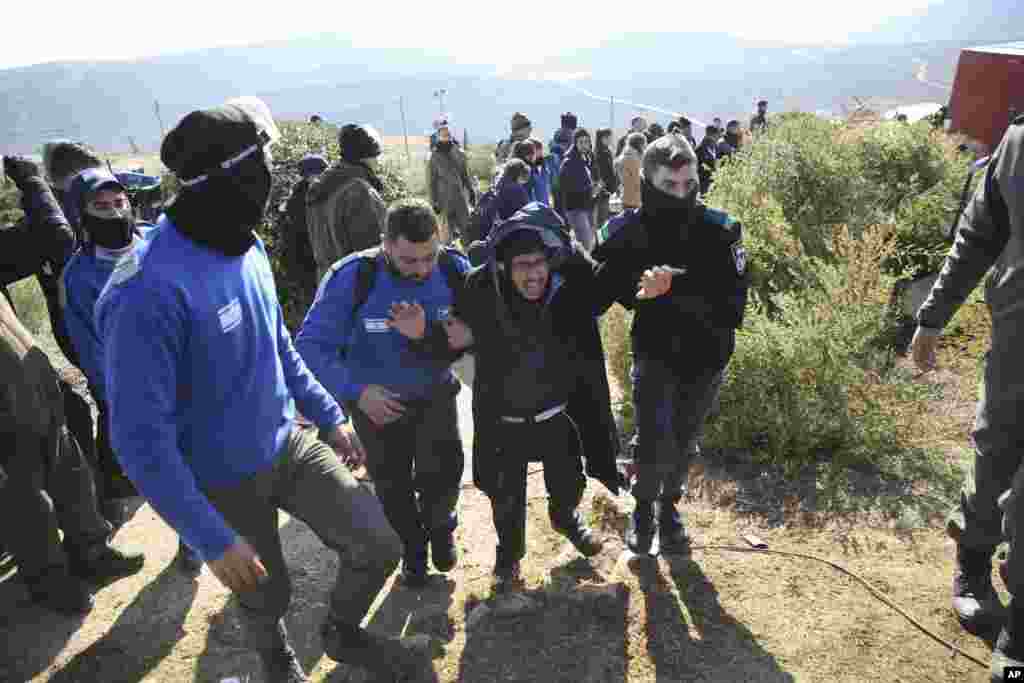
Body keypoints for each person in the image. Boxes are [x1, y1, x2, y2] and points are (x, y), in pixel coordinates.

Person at [96, 97, 419, 683]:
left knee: (377, 543)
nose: (271, 177)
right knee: (266, 592)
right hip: (221, 478)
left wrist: (327, 413)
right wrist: (210, 538)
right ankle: (277, 665)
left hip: (286, 444)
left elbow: (278, 345)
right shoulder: (145, 290)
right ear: (234, 177)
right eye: (262, 163)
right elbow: (140, 441)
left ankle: (342, 635)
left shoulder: (246, 246)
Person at [418, 204, 624, 589]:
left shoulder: (567, 285)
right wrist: (439, 337)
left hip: (557, 416)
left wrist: (571, 245)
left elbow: (602, 290)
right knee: (505, 497)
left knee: (569, 485)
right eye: (523, 265)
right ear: (504, 268)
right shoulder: (479, 289)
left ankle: (566, 521)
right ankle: (509, 557)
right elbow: (451, 342)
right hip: (503, 421)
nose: (534, 273)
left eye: (539, 263)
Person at [296, 198, 469, 589]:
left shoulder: (454, 269)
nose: (422, 269)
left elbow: (484, 323)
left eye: (429, 256)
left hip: (436, 395)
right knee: (392, 486)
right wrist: (357, 392)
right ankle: (413, 552)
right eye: (410, 260)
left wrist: (453, 336)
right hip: (377, 407)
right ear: (385, 244)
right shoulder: (354, 277)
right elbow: (309, 346)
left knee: (444, 473)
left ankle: (441, 526)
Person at [589, 135, 750, 556]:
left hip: (707, 355)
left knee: (684, 439)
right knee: (653, 437)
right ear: (647, 182)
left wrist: (673, 290)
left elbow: (734, 308)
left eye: (688, 183)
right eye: (669, 185)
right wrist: (637, 290)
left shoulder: (721, 231)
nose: (681, 193)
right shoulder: (628, 232)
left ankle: (668, 507)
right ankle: (643, 510)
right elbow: (595, 290)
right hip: (655, 352)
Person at [0, 156, 145, 617]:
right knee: (22, 491)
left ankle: (91, 550)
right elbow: (55, 234)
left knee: (67, 459)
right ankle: (48, 579)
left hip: (27, 375)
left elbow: (48, 237)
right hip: (6, 401)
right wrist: (30, 179)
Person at [910, 116, 1024, 681]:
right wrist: (932, 317)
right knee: (995, 449)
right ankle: (974, 563)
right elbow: (978, 235)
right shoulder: (1020, 142)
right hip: (1020, 337)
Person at [59, 168, 203, 574]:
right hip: (138, 388)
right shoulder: (79, 277)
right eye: (100, 207)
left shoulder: (160, 241)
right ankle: (191, 535)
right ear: (81, 215)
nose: (114, 213)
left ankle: (196, 538)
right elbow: (89, 348)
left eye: (119, 203)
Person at [305, 123, 388, 283]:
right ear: (367, 156)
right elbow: (370, 251)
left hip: (327, 281)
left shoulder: (322, 185)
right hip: (356, 285)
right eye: (375, 156)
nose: (377, 162)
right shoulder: (359, 190)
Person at [281, 153, 328, 317]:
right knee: (313, 309)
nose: (317, 178)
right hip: (307, 264)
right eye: (315, 174)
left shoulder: (301, 195)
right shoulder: (300, 199)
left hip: (311, 262)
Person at [429, 118, 476, 244]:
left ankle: (469, 257)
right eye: (442, 132)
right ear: (438, 135)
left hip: (460, 198)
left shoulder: (459, 152)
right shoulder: (434, 156)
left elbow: (465, 174)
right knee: (446, 237)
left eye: (447, 132)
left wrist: (471, 192)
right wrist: (434, 202)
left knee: (467, 232)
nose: (445, 134)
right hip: (443, 200)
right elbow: (431, 181)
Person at [560, 128, 599, 251]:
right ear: (575, 143)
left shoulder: (588, 158)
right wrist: (589, 189)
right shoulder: (568, 161)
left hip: (588, 204)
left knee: (589, 242)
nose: (584, 145)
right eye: (581, 142)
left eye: (586, 142)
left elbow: (592, 177)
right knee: (585, 242)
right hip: (575, 207)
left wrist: (595, 187)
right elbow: (563, 185)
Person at [593, 128, 619, 228]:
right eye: (609, 137)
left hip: (606, 189)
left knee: (603, 217)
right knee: (601, 218)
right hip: (602, 190)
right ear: (602, 138)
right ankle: (599, 241)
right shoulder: (600, 153)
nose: (610, 139)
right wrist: (607, 187)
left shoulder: (605, 151)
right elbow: (603, 173)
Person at [615, 132, 646, 212]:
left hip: (626, 196)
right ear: (639, 144)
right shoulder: (632, 158)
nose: (645, 146)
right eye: (644, 144)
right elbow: (637, 180)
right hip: (633, 198)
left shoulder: (626, 155)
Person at [529, 138, 556, 207]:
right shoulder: (528, 169)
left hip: (546, 205)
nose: (540, 152)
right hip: (534, 208)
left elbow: (548, 187)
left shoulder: (545, 166)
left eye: (540, 149)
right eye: (537, 150)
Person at [696, 125, 720, 196]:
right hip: (704, 184)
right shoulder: (699, 149)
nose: (718, 137)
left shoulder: (715, 147)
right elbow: (697, 168)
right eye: (716, 135)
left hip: (714, 182)